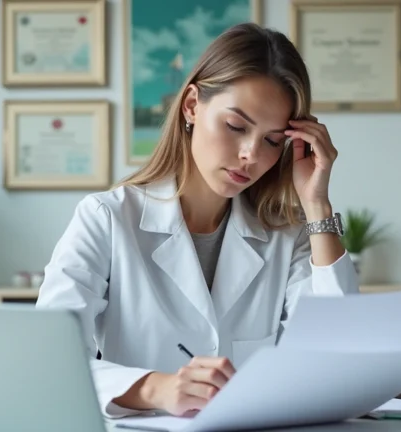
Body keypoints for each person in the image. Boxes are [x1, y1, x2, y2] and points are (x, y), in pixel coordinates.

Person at [35, 22, 359, 419]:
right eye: (236, 126)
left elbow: (335, 361)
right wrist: (158, 388)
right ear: (191, 105)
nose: (250, 154)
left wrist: (317, 206)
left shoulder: (287, 235)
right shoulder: (107, 218)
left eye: (273, 141)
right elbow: (50, 361)